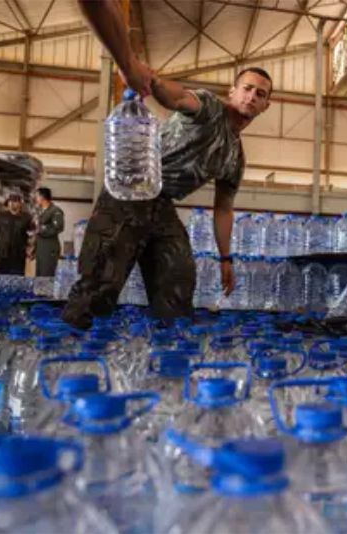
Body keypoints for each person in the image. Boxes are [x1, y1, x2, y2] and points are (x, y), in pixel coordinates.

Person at [62, 0, 272, 329]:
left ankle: (167, 350)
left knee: (177, 279)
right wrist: (153, 82)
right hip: (130, 192)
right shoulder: (207, 106)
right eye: (246, 88)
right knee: (101, 281)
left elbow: (223, 210)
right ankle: (74, 345)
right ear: (232, 91)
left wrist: (226, 257)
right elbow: (176, 97)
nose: (252, 96)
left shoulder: (235, 157)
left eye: (260, 94)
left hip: (162, 205)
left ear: (265, 106)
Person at [0, 194, 34, 275]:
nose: (12, 203)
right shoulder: (1, 215)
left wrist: (31, 248)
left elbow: (33, 233)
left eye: (15, 201)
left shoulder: (27, 217)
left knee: (17, 276)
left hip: (18, 253)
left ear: (20, 203)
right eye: (10, 201)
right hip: (2, 251)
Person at [34, 187, 65, 277]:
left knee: (46, 275)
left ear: (42, 197)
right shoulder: (41, 212)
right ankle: (40, 291)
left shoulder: (55, 211)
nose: (35, 198)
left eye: (37, 196)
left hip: (49, 248)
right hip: (41, 247)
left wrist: (41, 229)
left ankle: (45, 292)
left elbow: (58, 227)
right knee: (40, 275)